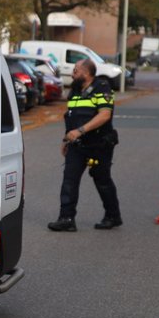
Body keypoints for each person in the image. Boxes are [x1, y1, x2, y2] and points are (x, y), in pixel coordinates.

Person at [47, 58, 121, 232]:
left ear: (86, 73)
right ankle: (66, 218)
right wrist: (66, 139)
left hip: (99, 144)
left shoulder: (102, 88)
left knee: (102, 180)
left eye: (76, 70)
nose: (72, 73)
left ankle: (113, 216)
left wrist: (80, 130)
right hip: (77, 145)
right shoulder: (74, 91)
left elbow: (104, 115)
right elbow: (72, 117)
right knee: (69, 180)